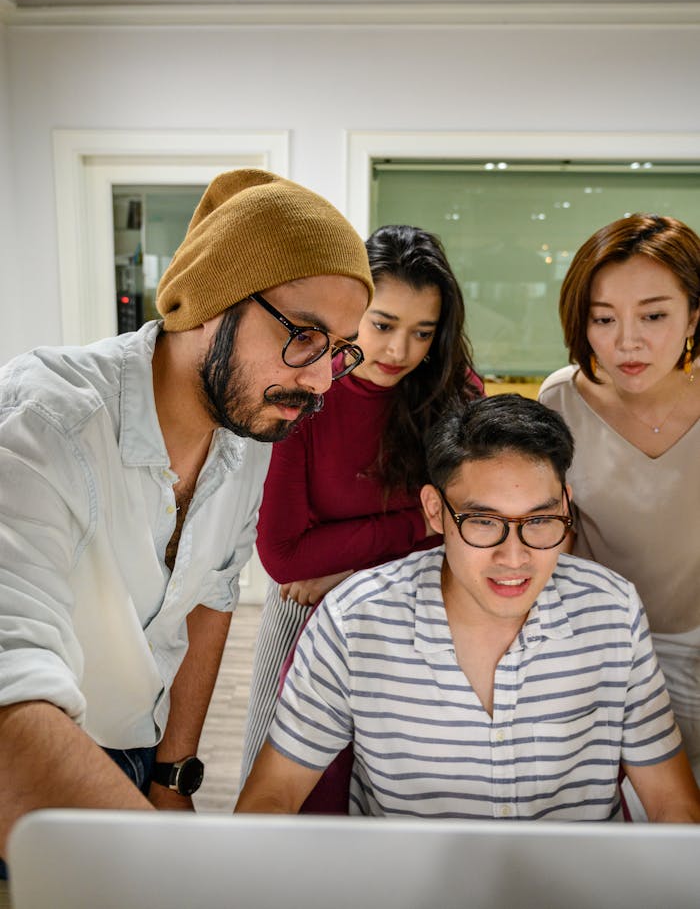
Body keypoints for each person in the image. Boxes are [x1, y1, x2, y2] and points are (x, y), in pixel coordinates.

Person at [0, 168, 373, 859]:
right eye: (304, 335)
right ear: (208, 301)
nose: (321, 380)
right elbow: (8, 702)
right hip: (35, 762)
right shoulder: (44, 421)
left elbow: (209, 596)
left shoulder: (249, 430)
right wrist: (180, 875)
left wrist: (173, 772)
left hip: (137, 752)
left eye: (342, 351)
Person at [235, 394, 700, 822]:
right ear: (435, 512)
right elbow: (272, 796)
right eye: (483, 522)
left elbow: (672, 802)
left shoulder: (611, 610)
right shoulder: (355, 621)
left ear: (565, 506)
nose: (514, 558)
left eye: (539, 521)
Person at [239, 224, 482, 784]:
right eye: (383, 325)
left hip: (423, 611)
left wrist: (343, 572)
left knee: (402, 793)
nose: (400, 351)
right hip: (306, 610)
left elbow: (468, 524)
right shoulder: (306, 385)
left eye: (423, 333)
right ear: (354, 312)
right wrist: (421, 522)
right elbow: (283, 557)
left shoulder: (456, 390)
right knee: (285, 791)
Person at [538, 213, 700, 780]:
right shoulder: (560, 399)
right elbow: (555, 531)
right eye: (603, 319)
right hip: (602, 645)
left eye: (654, 315)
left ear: (694, 316)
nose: (627, 341)